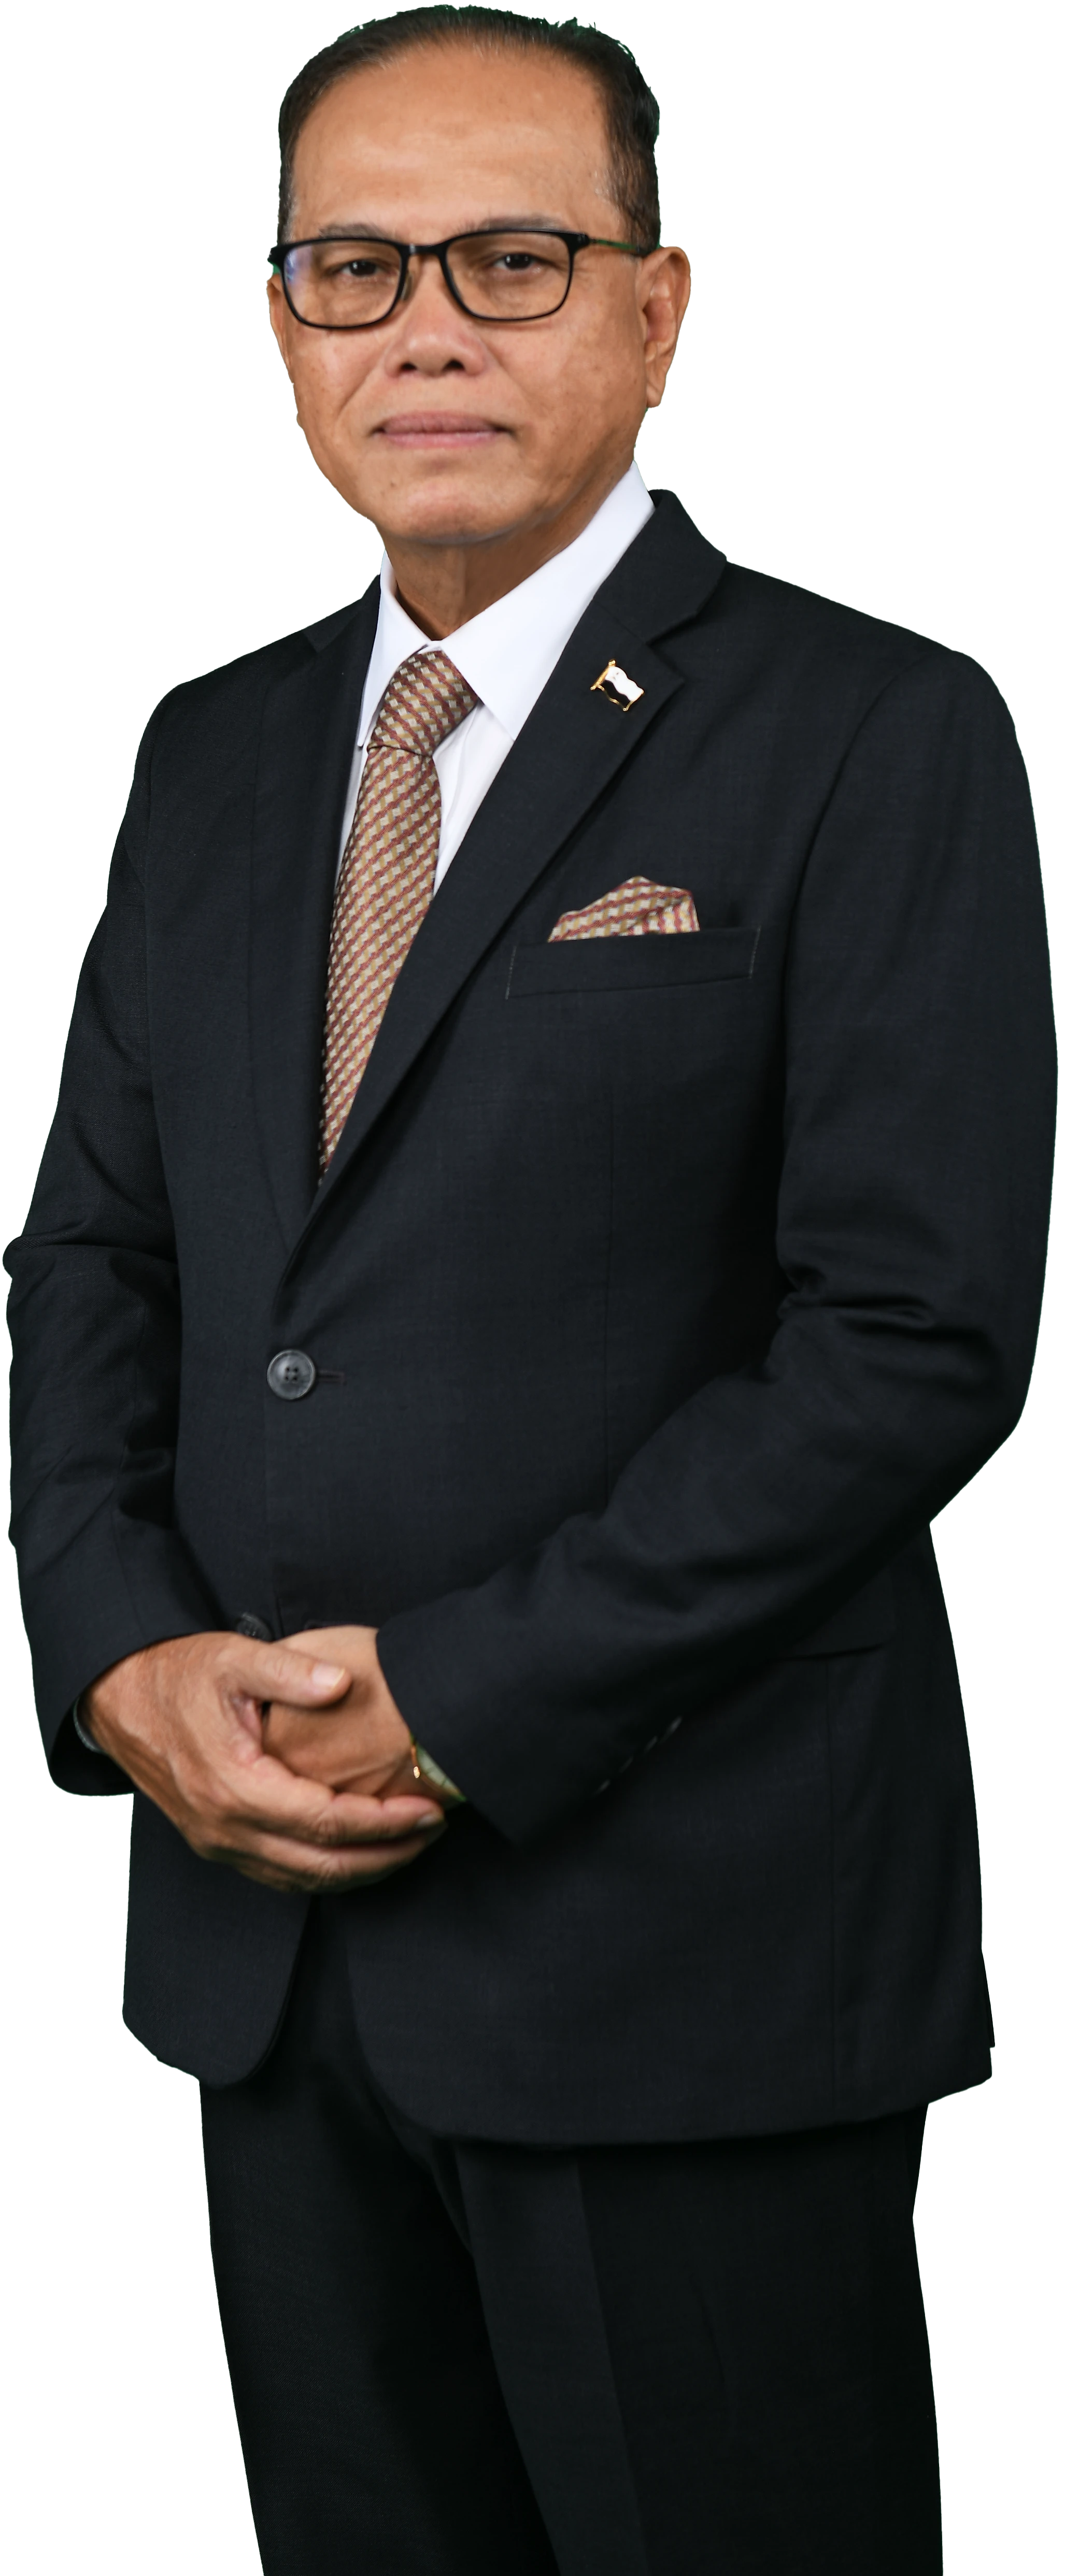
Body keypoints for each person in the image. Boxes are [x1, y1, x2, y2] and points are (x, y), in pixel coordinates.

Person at [5, 9, 1055, 2572]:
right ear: (281, 324)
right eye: (355, 269)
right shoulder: (211, 753)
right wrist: (123, 1655)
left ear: (658, 308)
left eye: (514, 258)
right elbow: (97, 1263)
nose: (428, 331)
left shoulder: (873, 727)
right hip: (272, 1953)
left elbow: (910, 1338)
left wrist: (464, 1694)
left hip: (686, 1957)